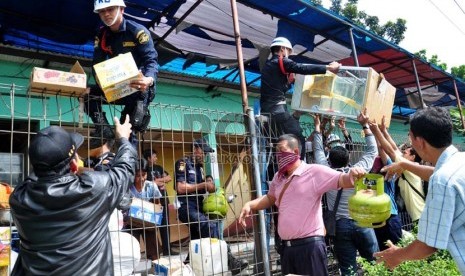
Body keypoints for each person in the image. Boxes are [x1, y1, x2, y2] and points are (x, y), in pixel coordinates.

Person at [9, 115, 136, 275]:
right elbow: (125, 169)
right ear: (74, 164)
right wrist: (123, 139)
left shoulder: (19, 198)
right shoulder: (94, 189)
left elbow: (40, 176)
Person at [239, 134, 366, 276]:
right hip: (287, 249)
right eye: (276, 151)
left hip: (310, 247)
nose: (278, 155)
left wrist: (353, 174)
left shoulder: (313, 172)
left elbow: (343, 180)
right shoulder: (278, 177)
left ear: (296, 152)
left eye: (282, 150)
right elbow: (270, 198)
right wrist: (250, 204)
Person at [374, 107, 465, 274]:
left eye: (410, 136)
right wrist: (404, 164)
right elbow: (435, 172)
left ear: (420, 142)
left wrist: (397, 255)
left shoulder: (443, 180)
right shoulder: (459, 161)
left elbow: (428, 244)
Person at [312, 110, 379, 276]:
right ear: (349, 158)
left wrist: (318, 127)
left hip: (340, 226)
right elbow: (372, 151)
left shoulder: (326, 173)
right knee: (375, 262)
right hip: (362, 222)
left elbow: (318, 151)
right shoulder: (358, 171)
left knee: (348, 269)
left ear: (329, 160)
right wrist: (365, 125)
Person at [86, 0, 158, 145]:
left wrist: (148, 79)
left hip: (139, 87)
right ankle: (103, 130)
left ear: (122, 9)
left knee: (128, 129)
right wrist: (101, 82)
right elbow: (97, 64)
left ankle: (128, 160)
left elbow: (152, 61)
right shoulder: (101, 35)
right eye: (102, 11)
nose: (106, 14)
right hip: (117, 86)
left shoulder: (138, 31)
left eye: (110, 9)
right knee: (87, 93)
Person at [174, 138, 248, 275]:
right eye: (204, 152)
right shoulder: (183, 163)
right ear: (196, 149)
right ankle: (230, 260)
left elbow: (202, 188)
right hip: (187, 207)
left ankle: (185, 267)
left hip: (199, 207)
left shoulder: (200, 168)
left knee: (197, 240)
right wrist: (203, 185)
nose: (205, 155)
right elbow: (180, 188)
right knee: (211, 226)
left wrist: (209, 184)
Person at [259, 36, 341, 159]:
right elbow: (301, 68)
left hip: (267, 111)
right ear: (282, 49)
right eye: (288, 52)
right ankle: (300, 166)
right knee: (298, 137)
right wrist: (328, 68)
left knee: (278, 142)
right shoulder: (282, 61)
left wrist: (288, 83)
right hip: (278, 110)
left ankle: (278, 168)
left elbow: (274, 88)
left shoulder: (267, 65)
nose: (289, 55)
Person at [370, 116, 425, 222]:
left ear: (412, 157)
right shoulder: (410, 167)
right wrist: (384, 131)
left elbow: (391, 151)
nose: (402, 153)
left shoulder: (409, 167)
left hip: (420, 216)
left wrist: (376, 131)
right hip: (419, 215)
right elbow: (394, 148)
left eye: (405, 153)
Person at [124, 158, 162, 261]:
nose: (141, 179)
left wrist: (154, 219)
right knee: (130, 250)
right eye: (137, 175)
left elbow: (157, 205)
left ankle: (157, 267)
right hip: (131, 223)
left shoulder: (151, 186)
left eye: (144, 175)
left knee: (154, 251)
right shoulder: (127, 188)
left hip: (148, 221)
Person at [143, 149, 178, 256]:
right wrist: (160, 181)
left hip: (163, 199)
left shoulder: (159, 167)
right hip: (152, 202)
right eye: (154, 156)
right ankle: (156, 252)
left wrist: (156, 182)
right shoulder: (145, 169)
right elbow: (147, 183)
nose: (156, 158)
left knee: (165, 225)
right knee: (152, 227)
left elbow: (169, 178)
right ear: (148, 158)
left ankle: (167, 250)